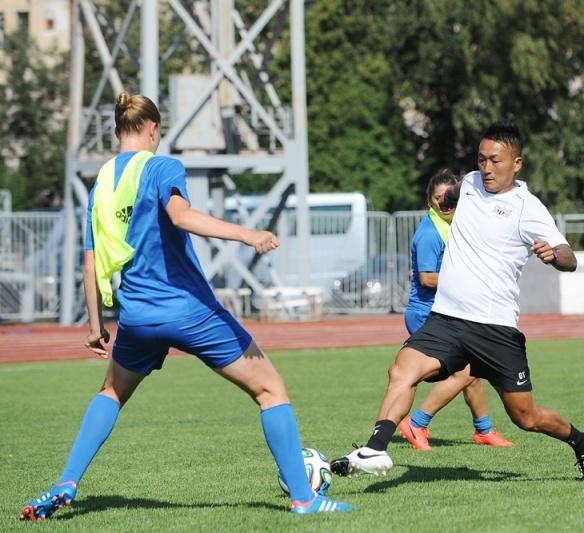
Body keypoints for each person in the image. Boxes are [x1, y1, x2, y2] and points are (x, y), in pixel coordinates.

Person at [19, 92, 352, 521]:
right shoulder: (162, 167)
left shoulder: (100, 184)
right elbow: (180, 216)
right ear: (153, 128)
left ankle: (67, 481)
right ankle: (305, 499)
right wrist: (249, 235)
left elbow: (90, 260)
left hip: (136, 314)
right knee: (270, 390)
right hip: (188, 309)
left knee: (111, 393)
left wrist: (94, 324)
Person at [330, 121, 584, 481]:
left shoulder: (528, 207)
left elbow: (570, 257)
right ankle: (376, 448)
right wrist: (442, 198)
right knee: (401, 369)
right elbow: (451, 193)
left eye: (495, 161)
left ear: (516, 164)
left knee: (525, 417)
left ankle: (583, 442)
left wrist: (555, 255)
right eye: (481, 159)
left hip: (495, 329)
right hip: (447, 319)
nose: (486, 168)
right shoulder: (471, 183)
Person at [399, 169, 512, 450]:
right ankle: (416, 423)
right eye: (439, 198)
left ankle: (483, 430)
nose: (444, 202)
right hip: (426, 313)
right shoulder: (429, 233)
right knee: (466, 372)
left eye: (450, 196)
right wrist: (467, 277)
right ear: (430, 201)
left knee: (471, 373)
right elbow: (426, 277)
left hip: (449, 311)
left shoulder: (454, 225)